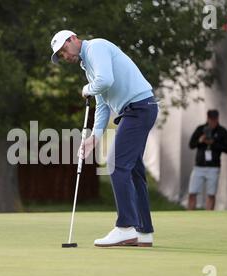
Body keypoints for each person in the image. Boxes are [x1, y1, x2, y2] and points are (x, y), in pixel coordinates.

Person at [50, 30, 158, 247]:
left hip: (138, 107)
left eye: (63, 49)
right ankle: (144, 231)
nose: (64, 55)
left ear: (73, 38)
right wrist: (94, 137)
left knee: (116, 164)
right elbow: (102, 104)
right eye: (60, 54)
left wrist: (87, 88)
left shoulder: (95, 47)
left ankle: (125, 228)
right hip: (138, 109)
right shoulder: (87, 65)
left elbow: (105, 80)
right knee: (134, 170)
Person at [188, 110, 227, 210]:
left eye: (215, 120)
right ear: (207, 118)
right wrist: (200, 140)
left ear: (217, 119)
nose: (213, 122)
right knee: (192, 193)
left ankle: (209, 217)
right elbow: (191, 145)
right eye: (211, 120)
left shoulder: (222, 131)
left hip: (213, 167)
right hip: (199, 166)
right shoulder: (200, 129)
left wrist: (213, 143)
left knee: (211, 194)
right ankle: (189, 217)